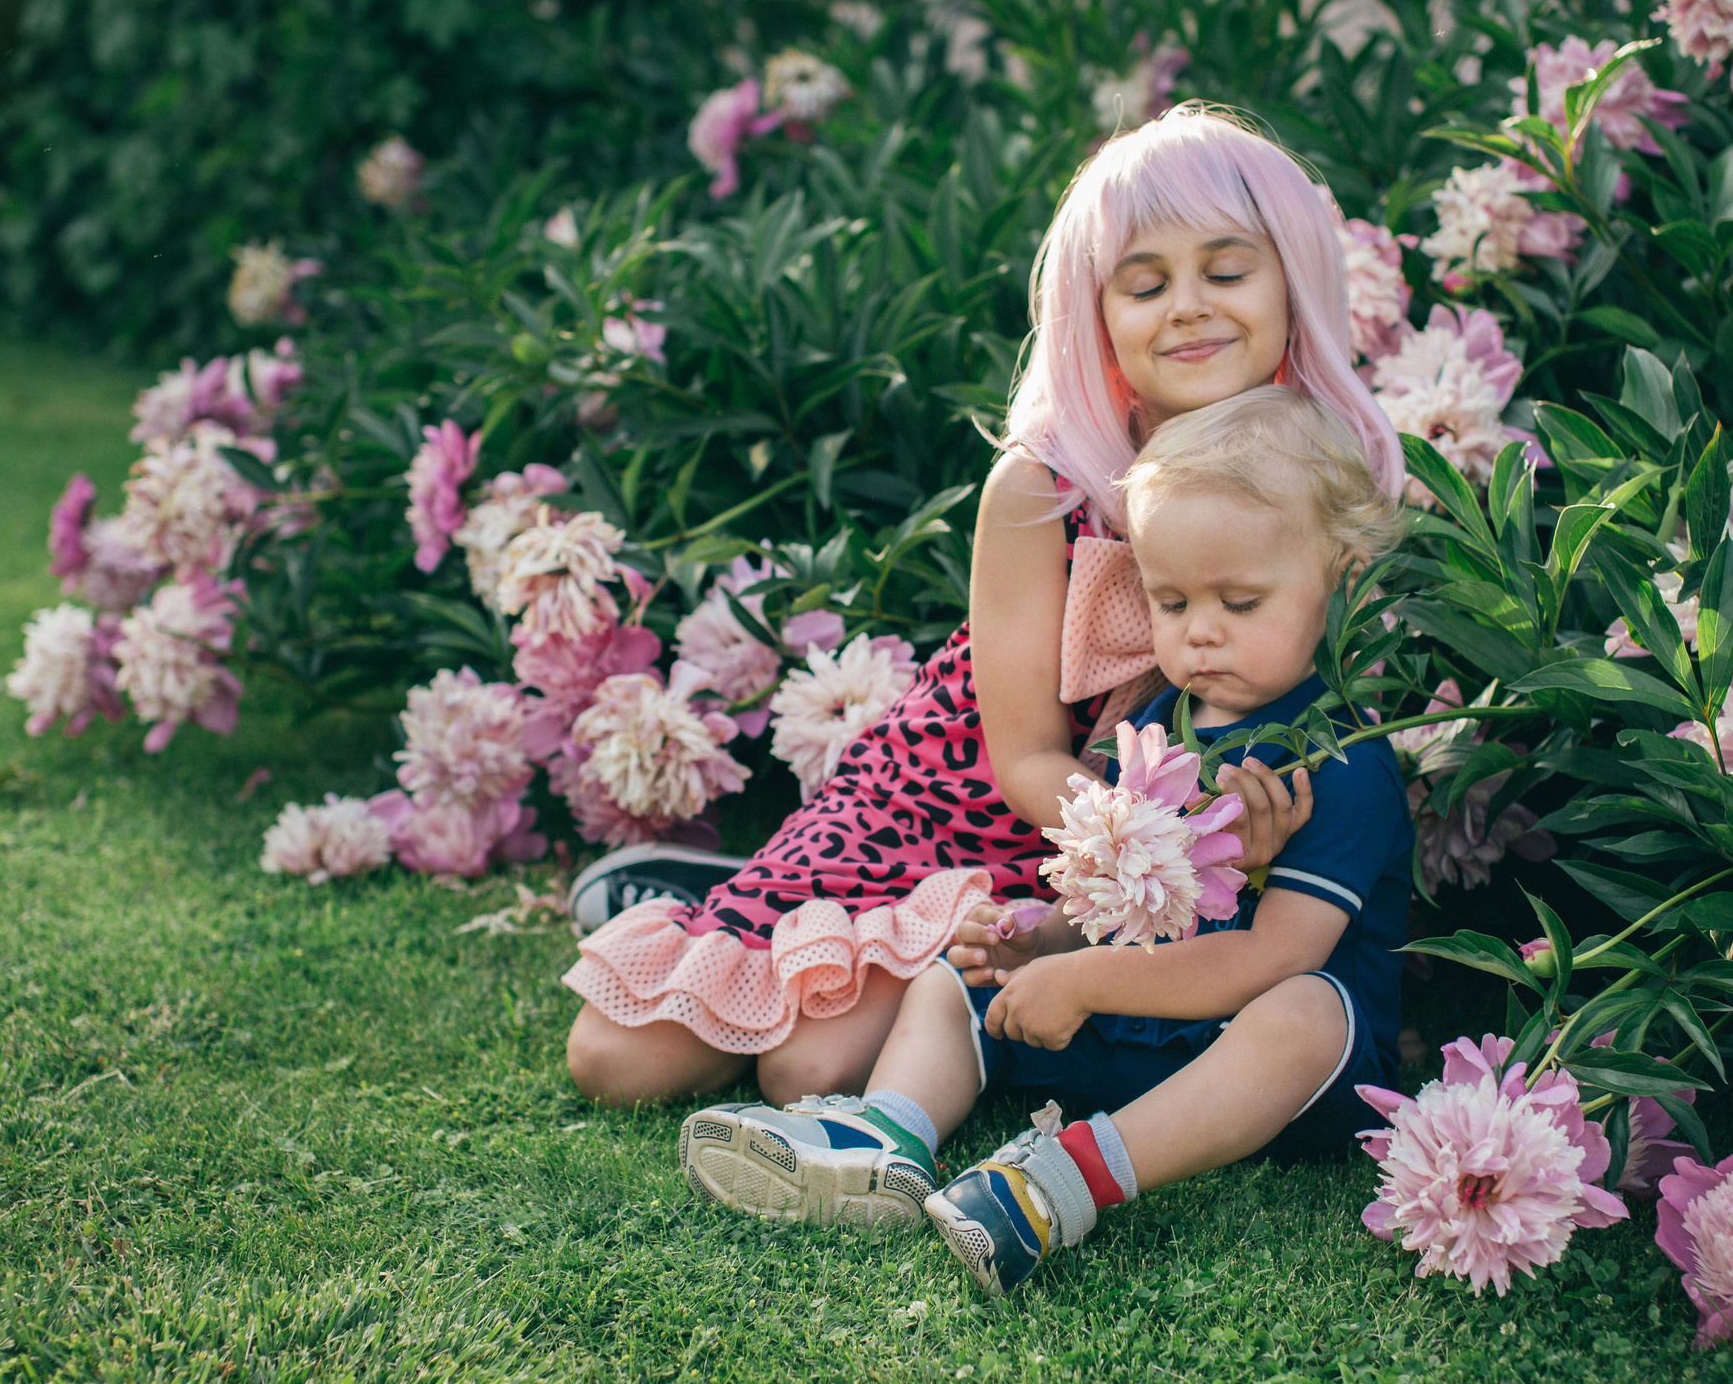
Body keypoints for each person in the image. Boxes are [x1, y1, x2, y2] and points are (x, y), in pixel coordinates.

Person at [560, 105, 1406, 1107]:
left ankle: (752, 904)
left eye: (1226, 273)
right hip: (968, 809)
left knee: (811, 1071)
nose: (1187, 307)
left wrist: (1218, 850)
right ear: (1096, 313)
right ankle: (746, 889)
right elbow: (1023, 761)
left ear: (1292, 285)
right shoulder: (1046, 484)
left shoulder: (1328, 479)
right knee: (617, 1064)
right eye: (1144, 284)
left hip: (1110, 873)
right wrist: (1176, 843)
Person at [675, 387, 1415, 1295]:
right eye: (1172, 601)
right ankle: (886, 1134)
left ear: (1338, 580)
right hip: (1148, 1027)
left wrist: (1084, 975)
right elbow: (1115, 911)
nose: (1202, 631)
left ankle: (1062, 1181)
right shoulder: (1160, 722)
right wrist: (1046, 939)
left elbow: (1274, 952)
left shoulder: (1340, 761)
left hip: (1265, 1071)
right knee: (964, 969)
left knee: (1308, 1012)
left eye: (1242, 600)